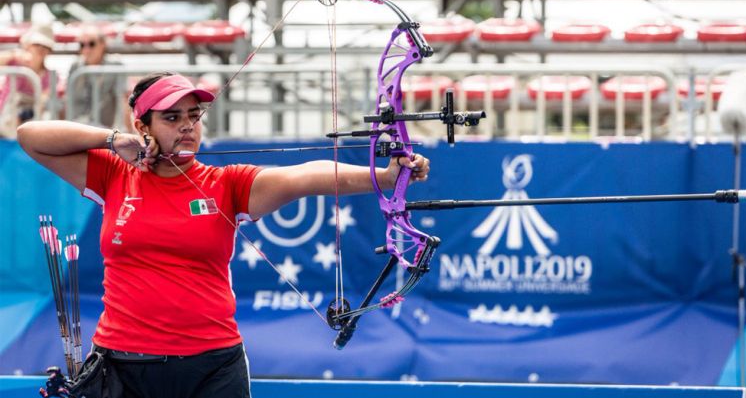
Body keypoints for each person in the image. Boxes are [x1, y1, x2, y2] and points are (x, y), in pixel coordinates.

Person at [16, 72, 430, 398]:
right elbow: (30, 137)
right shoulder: (113, 175)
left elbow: (304, 177)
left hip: (211, 368)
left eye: (194, 116)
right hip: (124, 366)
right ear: (141, 124)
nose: (187, 127)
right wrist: (113, 141)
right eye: (172, 118)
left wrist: (384, 176)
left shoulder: (225, 184)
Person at [0, 23, 57, 138]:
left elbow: (42, 103)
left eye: (45, 46)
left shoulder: (51, 76)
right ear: (27, 45)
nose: (41, 49)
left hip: (30, 126)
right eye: (37, 44)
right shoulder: (14, 62)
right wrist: (14, 55)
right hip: (5, 121)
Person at [67, 26, 124, 128]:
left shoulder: (115, 65)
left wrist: (128, 132)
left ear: (103, 44)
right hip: (76, 127)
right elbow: (67, 101)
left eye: (92, 44)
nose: (86, 49)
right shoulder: (75, 66)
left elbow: (123, 99)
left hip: (104, 130)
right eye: (82, 45)